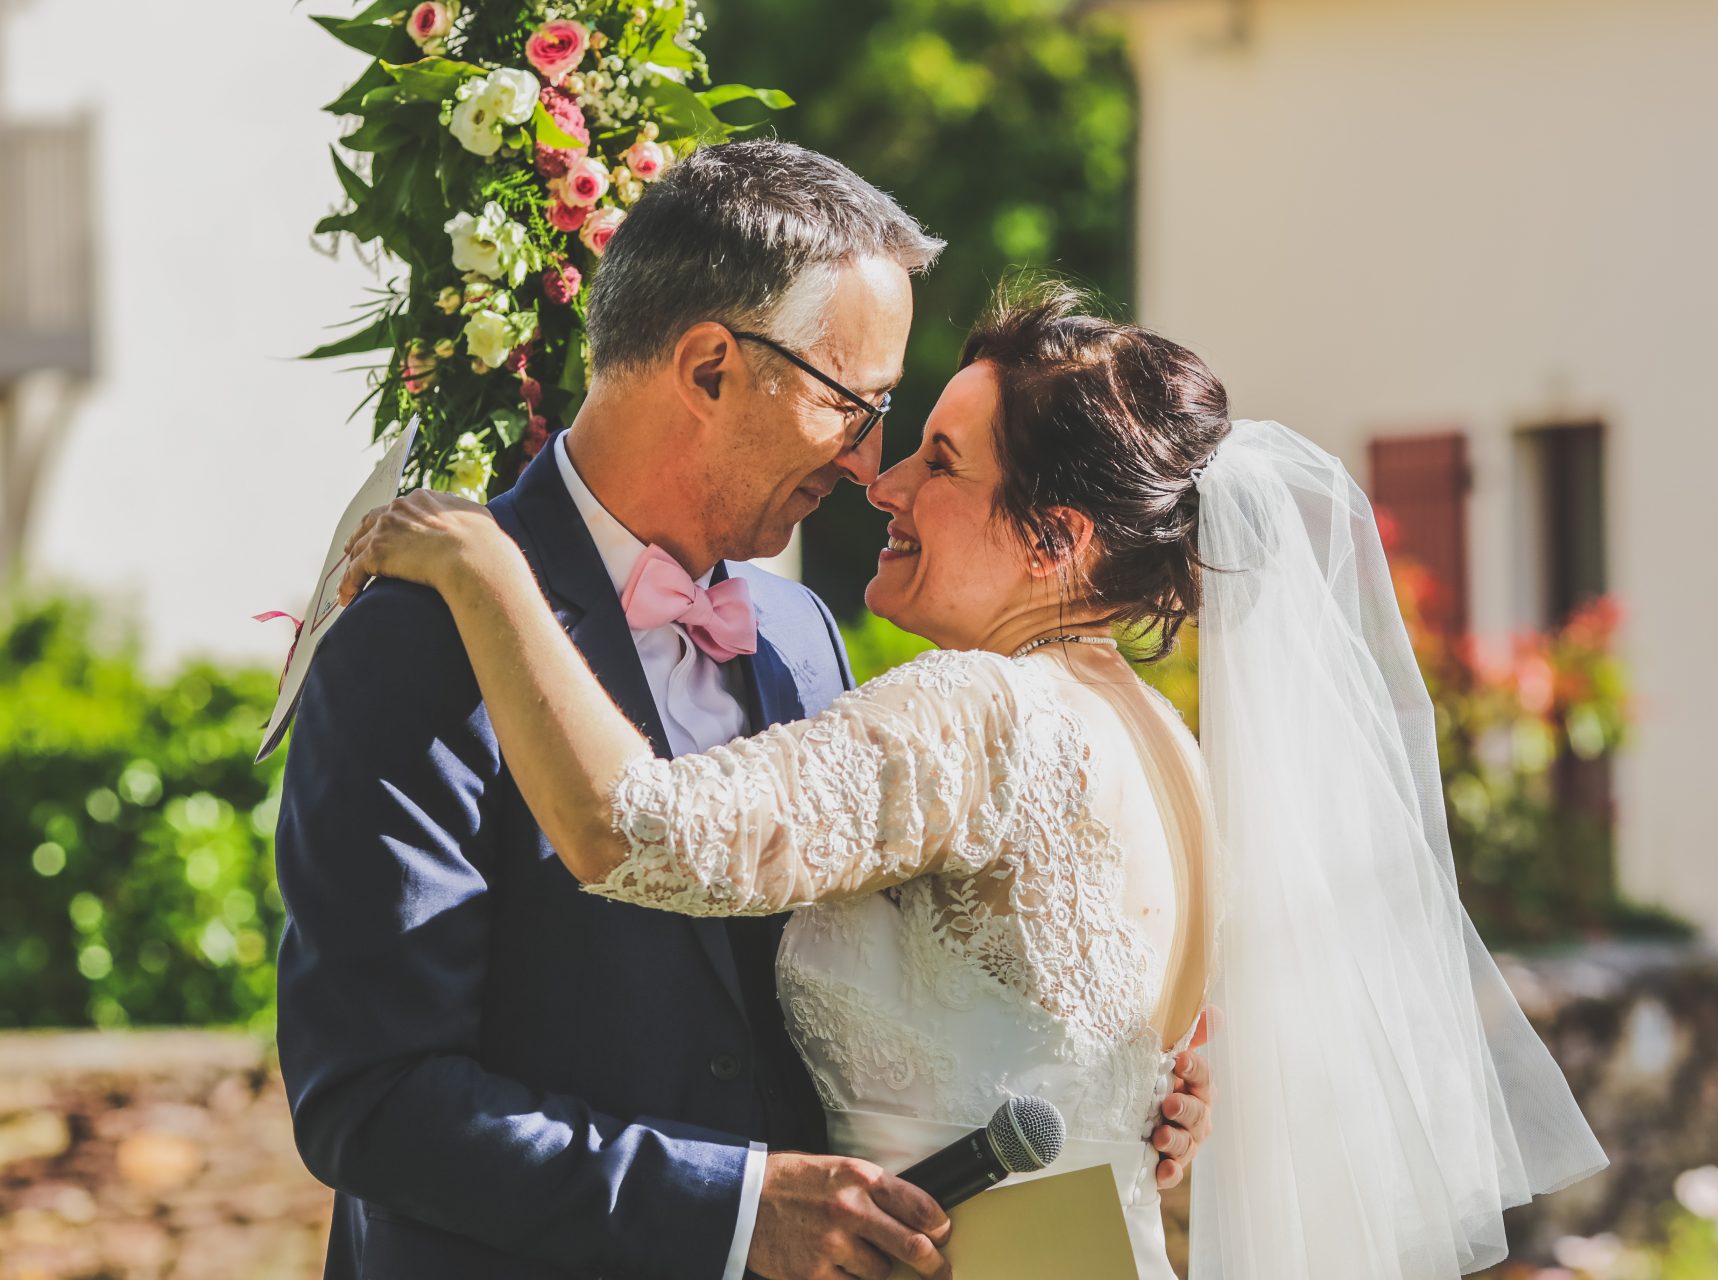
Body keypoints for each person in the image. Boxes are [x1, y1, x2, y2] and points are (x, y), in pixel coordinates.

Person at [335, 279, 1610, 1278]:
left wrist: (486, 564)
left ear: (1055, 538)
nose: (882, 482)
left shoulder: (985, 709)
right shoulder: (1166, 744)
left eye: (940, 461)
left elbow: (635, 829)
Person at [272, 142, 1211, 1280]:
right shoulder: (416, 637)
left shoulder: (804, 634)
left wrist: (1123, 1075)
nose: (873, 464)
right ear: (713, 367)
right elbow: (370, 1102)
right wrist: (731, 1208)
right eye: (854, 402)